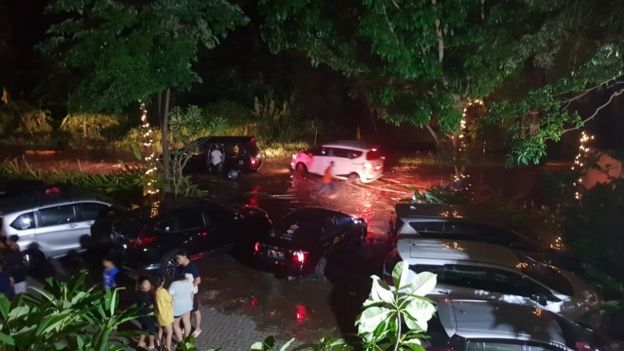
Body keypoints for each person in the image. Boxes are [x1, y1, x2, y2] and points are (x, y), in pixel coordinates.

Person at [175, 250, 202, 337]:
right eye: (176, 258)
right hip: (185, 294)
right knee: (187, 311)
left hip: (192, 293)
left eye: (178, 258)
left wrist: (189, 289)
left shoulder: (192, 267)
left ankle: (198, 328)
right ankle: (187, 326)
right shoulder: (180, 267)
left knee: (195, 310)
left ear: (185, 256)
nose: (177, 260)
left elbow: (198, 280)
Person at [168, 273, 193, 342]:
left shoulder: (174, 284)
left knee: (175, 325)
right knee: (187, 322)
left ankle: (180, 342)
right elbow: (192, 294)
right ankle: (186, 340)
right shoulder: (189, 281)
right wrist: (191, 304)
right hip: (188, 306)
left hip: (177, 308)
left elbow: (169, 297)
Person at [153, 275, 174, 351]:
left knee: (160, 329)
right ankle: (168, 348)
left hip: (159, 315)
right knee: (170, 332)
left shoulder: (156, 291)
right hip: (165, 316)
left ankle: (158, 343)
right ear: (162, 282)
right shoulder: (163, 291)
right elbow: (170, 299)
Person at [136, 276, 157, 350]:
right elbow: (151, 306)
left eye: (149, 283)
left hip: (142, 315)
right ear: (140, 285)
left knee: (144, 328)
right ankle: (151, 344)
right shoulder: (143, 295)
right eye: (145, 283)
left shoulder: (142, 293)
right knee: (151, 329)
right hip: (147, 315)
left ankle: (141, 342)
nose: (148, 285)